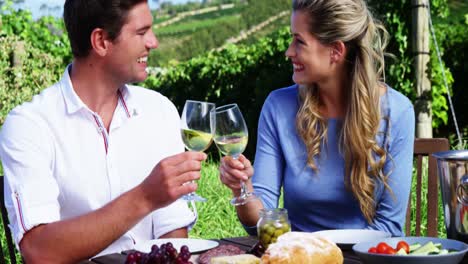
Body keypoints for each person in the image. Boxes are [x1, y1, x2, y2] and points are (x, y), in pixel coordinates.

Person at [0, 0, 206, 263]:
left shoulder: (160, 111)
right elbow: (40, 252)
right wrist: (145, 196)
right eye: (141, 33)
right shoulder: (29, 126)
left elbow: (173, 232)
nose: (153, 42)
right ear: (101, 41)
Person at [219, 0, 415, 237]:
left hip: (367, 256)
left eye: (299, 41)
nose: (289, 51)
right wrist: (242, 187)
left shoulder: (397, 110)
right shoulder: (278, 107)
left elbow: (389, 228)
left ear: (336, 51)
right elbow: (261, 224)